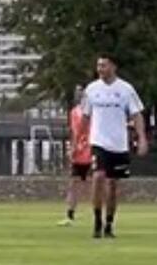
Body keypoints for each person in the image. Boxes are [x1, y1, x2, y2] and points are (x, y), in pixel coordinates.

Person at [81, 54, 148, 239]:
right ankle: (96, 221)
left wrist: (142, 138)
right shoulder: (92, 89)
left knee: (112, 184)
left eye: (104, 65)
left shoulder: (126, 89)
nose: (100, 69)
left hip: (118, 144)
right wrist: (80, 139)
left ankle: (109, 223)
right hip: (98, 142)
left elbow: (137, 115)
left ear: (113, 67)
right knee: (98, 176)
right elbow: (85, 117)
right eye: (98, 65)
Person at [57, 84, 92, 226]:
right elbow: (74, 132)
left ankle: (99, 215)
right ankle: (70, 216)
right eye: (77, 91)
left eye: (81, 91)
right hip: (79, 151)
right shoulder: (74, 112)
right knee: (73, 183)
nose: (78, 94)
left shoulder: (93, 111)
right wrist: (72, 147)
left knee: (96, 182)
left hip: (92, 150)